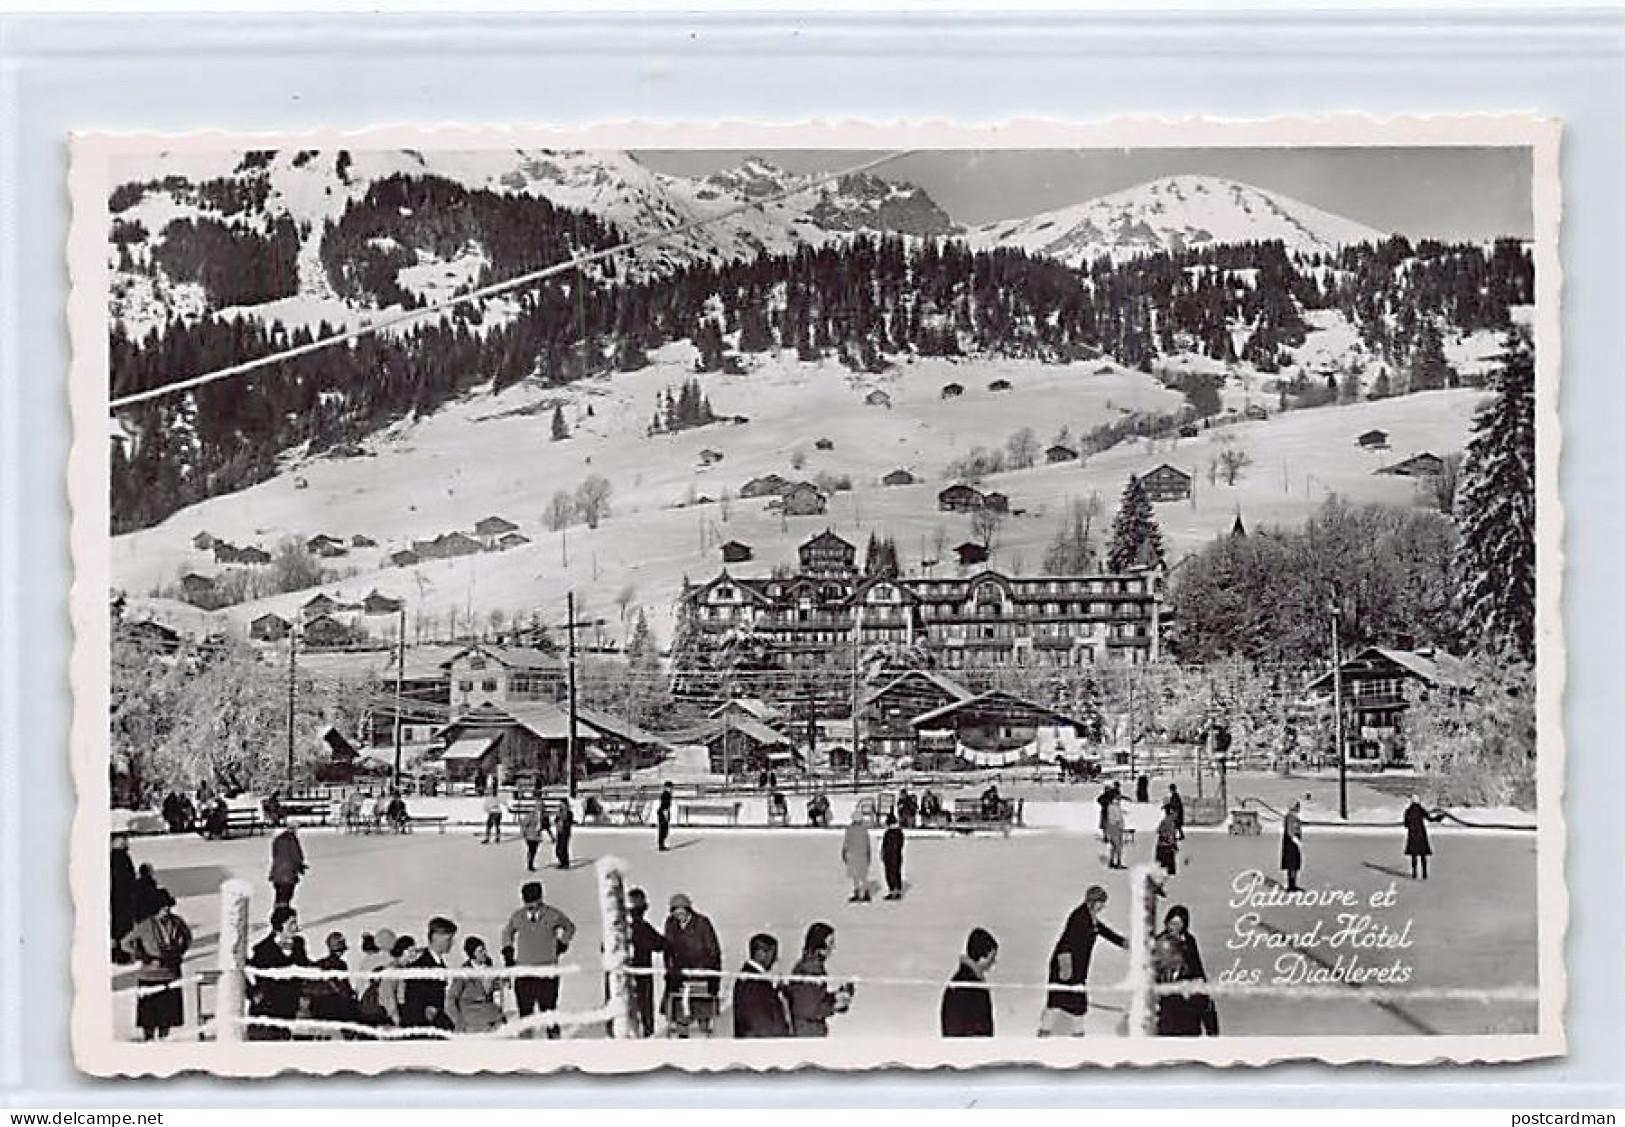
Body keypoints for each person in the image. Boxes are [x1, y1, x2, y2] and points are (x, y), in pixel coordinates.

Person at [1039, 885, 1126, 1037]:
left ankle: (1075, 1036)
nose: (1102, 906)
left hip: (1076, 969)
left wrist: (1124, 943)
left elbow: (1104, 931)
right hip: (1065, 968)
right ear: (1093, 901)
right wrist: (1065, 967)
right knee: (1057, 1003)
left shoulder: (1090, 917)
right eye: (1101, 902)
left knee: (1074, 1005)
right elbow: (1066, 942)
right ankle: (1046, 1036)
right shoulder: (1079, 917)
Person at [500, 880, 576, 1039]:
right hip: (524, 972)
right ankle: (526, 1045)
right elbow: (507, 933)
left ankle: (554, 1043)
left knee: (549, 1012)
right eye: (528, 903)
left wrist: (562, 944)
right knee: (525, 1014)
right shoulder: (518, 916)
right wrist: (508, 952)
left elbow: (569, 927)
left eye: (535, 903)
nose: (532, 907)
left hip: (547, 971)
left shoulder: (553, 914)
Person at [122, 889, 192, 1040]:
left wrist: (179, 952)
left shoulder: (178, 922)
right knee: (149, 1015)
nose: (166, 910)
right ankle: (148, 1038)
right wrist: (141, 954)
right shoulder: (146, 925)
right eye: (162, 907)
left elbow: (188, 939)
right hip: (150, 975)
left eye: (167, 906)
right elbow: (125, 943)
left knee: (167, 1015)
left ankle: (164, 1038)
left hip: (171, 973)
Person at [247, 906, 311, 1040]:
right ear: (280, 925)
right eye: (291, 923)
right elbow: (248, 972)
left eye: (295, 923)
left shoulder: (299, 945)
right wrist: (253, 994)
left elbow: (305, 970)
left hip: (290, 1006)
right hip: (268, 1009)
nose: (295, 927)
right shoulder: (263, 950)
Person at [662, 893, 722, 1038]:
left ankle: (704, 1040)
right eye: (676, 911)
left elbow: (713, 951)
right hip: (679, 978)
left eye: (682, 911)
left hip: (701, 977)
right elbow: (668, 949)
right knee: (679, 1013)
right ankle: (681, 1039)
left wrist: (704, 970)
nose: (679, 914)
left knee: (702, 1012)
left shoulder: (702, 923)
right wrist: (671, 970)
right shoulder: (671, 924)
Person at [1153, 905, 1218, 1037]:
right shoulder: (1160, 942)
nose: (1174, 927)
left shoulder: (1189, 940)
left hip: (1188, 991)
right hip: (1169, 993)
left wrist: (1202, 985)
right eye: (1171, 923)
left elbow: (1196, 965)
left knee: (1200, 1007)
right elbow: (1156, 970)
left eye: (1178, 924)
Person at [785, 922, 853, 1038]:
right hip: (808, 1033)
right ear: (820, 944)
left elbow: (813, 998)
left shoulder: (808, 966)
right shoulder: (811, 968)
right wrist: (835, 1005)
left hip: (808, 1031)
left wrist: (835, 997)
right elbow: (809, 1009)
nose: (833, 947)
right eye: (831, 943)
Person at [401, 916, 458, 1031]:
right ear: (436, 937)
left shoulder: (438, 963)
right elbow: (415, 994)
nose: (452, 943)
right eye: (449, 939)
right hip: (422, 1024)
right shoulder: (420, 964)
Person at [940, 927, 998, 1038]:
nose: (993, 962)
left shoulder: (959, 981)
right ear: (982, 956)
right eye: (992, 957)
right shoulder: (972, 985)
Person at [625, 888, 667, 1037]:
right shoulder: (642, 928)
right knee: (642, 1009)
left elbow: (660, 944)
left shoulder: (620, 929)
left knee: (630, 1010)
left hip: (629, 975)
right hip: (640, 974)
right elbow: (661, 944)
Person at [731, 933, 789, 1038]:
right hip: (761, 1046)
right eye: (773, 953)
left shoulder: (750, 979)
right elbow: (760, 1021)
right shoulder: (754, 982)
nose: (775, 959)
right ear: (761, 953)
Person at [447, 936, 505, 1033]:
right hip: (471, 1019)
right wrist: (458, 1022)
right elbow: (451, 999)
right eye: (480, 951)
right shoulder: (463, 973)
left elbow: (498, 995)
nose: (485, 953)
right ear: (472, 953)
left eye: (485, 950)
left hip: (492, 1017)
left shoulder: (491, 971)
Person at [308, 931, 360, 1034]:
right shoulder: (340, 965)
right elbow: (344, 988)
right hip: (335, 1007)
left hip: (318, 1007)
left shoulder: (319, 964)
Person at [355, 928, 397, 1027]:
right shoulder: (391, 961)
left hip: (365, 1008)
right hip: (382, 1010)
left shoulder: (365, 962)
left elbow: (359, 987)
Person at [379, 934, 418, 1028]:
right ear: (402, 951)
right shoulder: (394, 969)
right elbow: (388, 994)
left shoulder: (403, 968)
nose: (414, 954)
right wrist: (395, 1018)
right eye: (410, 951)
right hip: (395, 1015)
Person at [110, 833, 137, 963]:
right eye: (123, 840)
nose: (126, 842)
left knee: (120, 927)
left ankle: (121, 953)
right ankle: (122, 955)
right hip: (121, 898)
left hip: (120, 898)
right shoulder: (119, 858)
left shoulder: (117, 857)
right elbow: (125, 878)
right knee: (122, 927)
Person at [268, 822, 307, 908]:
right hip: (288, 874)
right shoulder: (292, 840)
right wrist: (300, 867)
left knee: (279, 896)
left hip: (276, 873)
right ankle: (282, 916)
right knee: (286, 897)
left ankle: (276, 916)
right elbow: (296, 856)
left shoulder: (277, 839)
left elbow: (274, 854)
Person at [842, 810, 872, 903]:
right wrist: (869, 855)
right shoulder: (864, 830)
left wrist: (844, 853)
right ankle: (866, 892)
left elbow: (846, 843)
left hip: (852, 855)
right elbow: (867, 844)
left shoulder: (849, 830)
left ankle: (857, 892)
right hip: (862, 855)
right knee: (863, 876)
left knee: (855, 876)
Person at [1403, 794, 1435, 880]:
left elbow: (1406, 824)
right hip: (1421, 834)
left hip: (1412, 834)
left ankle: (1414, 873)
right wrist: (1439, 818)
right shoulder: (1421, 810)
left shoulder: (1408, 811)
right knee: (1423, 855)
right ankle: (1424, 874)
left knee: (1414, 855)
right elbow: (1430, 819)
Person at [880, 814, 906, 900]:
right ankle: (897, 890)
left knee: (890, 874)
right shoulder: (899, 832)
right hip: (897, 855)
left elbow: (885, 845)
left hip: (889, 856)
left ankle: (893, 891)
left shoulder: (888, 833)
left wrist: (883, 854)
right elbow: (901, 844)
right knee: (897, 872)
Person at [1281, 800, 1304, 892]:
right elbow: (1290, 831)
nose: (1299, 808)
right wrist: (1295, 840)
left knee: (1293, 864)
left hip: (1291, 842)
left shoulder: (1292, 816)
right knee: (1292, 864)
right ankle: (1291, 886)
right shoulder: (1291, 817)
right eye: (1297, 806)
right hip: (1291, 843)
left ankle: (1293, 884)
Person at [520, 802, 549, 872]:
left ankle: (531, 863)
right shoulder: (531, 814)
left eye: (542, 806)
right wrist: (523, 833)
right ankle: (530, 865)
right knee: (531, 849)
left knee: (534, 850)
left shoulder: (544, 816)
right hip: (530, 835)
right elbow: (524, 823)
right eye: (540, 806)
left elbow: (547, 826)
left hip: (537, 836)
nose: (541, 808)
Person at [1155, 804, 1181, 876]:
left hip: (1162, 846)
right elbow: (1168, 835)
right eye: (1175, 812)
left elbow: (1159, 830)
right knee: (1168, 871)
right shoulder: (1170, 822)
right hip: (1166, 848)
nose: (1177, 814)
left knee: (1161, 868)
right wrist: (1173, 844)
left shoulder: (1166, 820)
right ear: (1172, 812)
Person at [1104, 791, 1127, 870]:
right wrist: (1118, 823)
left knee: (1114, 846)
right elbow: (1114, 818)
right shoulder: (1112, 807)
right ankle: (1118, 862)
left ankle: (1112, 861)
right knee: (1118, 846)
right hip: (1115, 827)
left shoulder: (1114, 806)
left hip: (1115, 827)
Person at [553, 796, 575, 869]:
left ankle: (565, 863)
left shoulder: (569, 813)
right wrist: (557, 821)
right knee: (558, 849)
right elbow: (555, 820)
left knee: (563, 848)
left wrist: (564, 822)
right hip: (559, 831)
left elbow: (569, 822)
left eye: (562, 804)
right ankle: (562, 862)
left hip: (565, 832)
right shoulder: (559, 812)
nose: (560, 805)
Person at [657, 781, 674, 850]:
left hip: (664, 811)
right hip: (663, 812)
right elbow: (665, 805)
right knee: (663, 829)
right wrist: (666, 814)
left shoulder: (667, 794)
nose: (671, 788)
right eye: (670, 787)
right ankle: (661, 845)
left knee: (664, 829)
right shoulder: (666, 794)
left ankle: (662, 844)